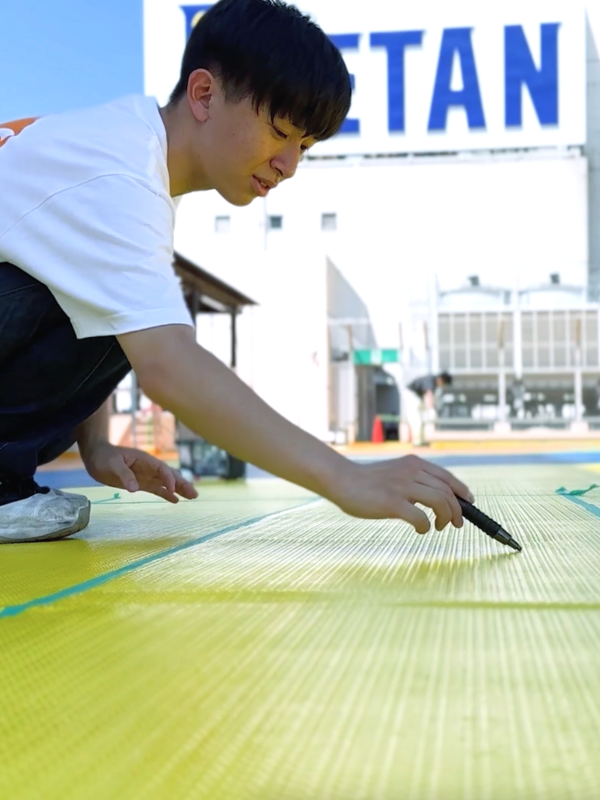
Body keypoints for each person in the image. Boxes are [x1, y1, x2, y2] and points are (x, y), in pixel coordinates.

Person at [0, 0, 473, 544]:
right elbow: (168, 366)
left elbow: (88, 295)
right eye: (280, 131)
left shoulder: (121, 151)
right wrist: (347, 477)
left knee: (139, 304)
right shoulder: (116, 177)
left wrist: (97, 445)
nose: (289, 165)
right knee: (154, 320)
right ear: (204, 94)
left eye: (304, 146)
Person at [403, 372, 453, 447]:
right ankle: (417, 440)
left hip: (418, 397)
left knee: (422, 418)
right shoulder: (430, 380)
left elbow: (430, 398)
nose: (443, 386)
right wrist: (431, 410)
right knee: (416, 418)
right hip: (410, 394)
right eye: (444, 383)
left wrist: (430, 410)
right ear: (441, 379)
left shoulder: (435, 385)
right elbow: (429, 395)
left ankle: (421, 439)